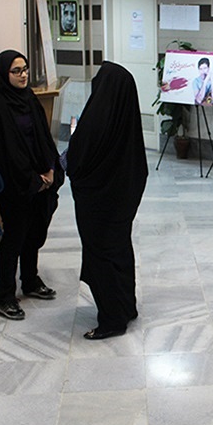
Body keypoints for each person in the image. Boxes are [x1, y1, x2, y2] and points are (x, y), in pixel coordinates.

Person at [66, 62, 148, 340]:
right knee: (120, 252)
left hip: (98, 205)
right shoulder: (126, 122)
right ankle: (125, 308)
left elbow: (78, 158)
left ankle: (112, 320)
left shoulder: (96, 121)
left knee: (101, 257)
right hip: (121, 202)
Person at [0, 50, 62, 320]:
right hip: (15, 185)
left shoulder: (28, 98)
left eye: (25, 69)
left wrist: (50, 169)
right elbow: (7, 151)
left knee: (34, 233)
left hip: (41, 178)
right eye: (16, 71)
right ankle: (5, 296)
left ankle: (30, 280)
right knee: (14, 238)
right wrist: (33, 180)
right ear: (3, 74)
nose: (23, 75)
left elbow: (43, 138)